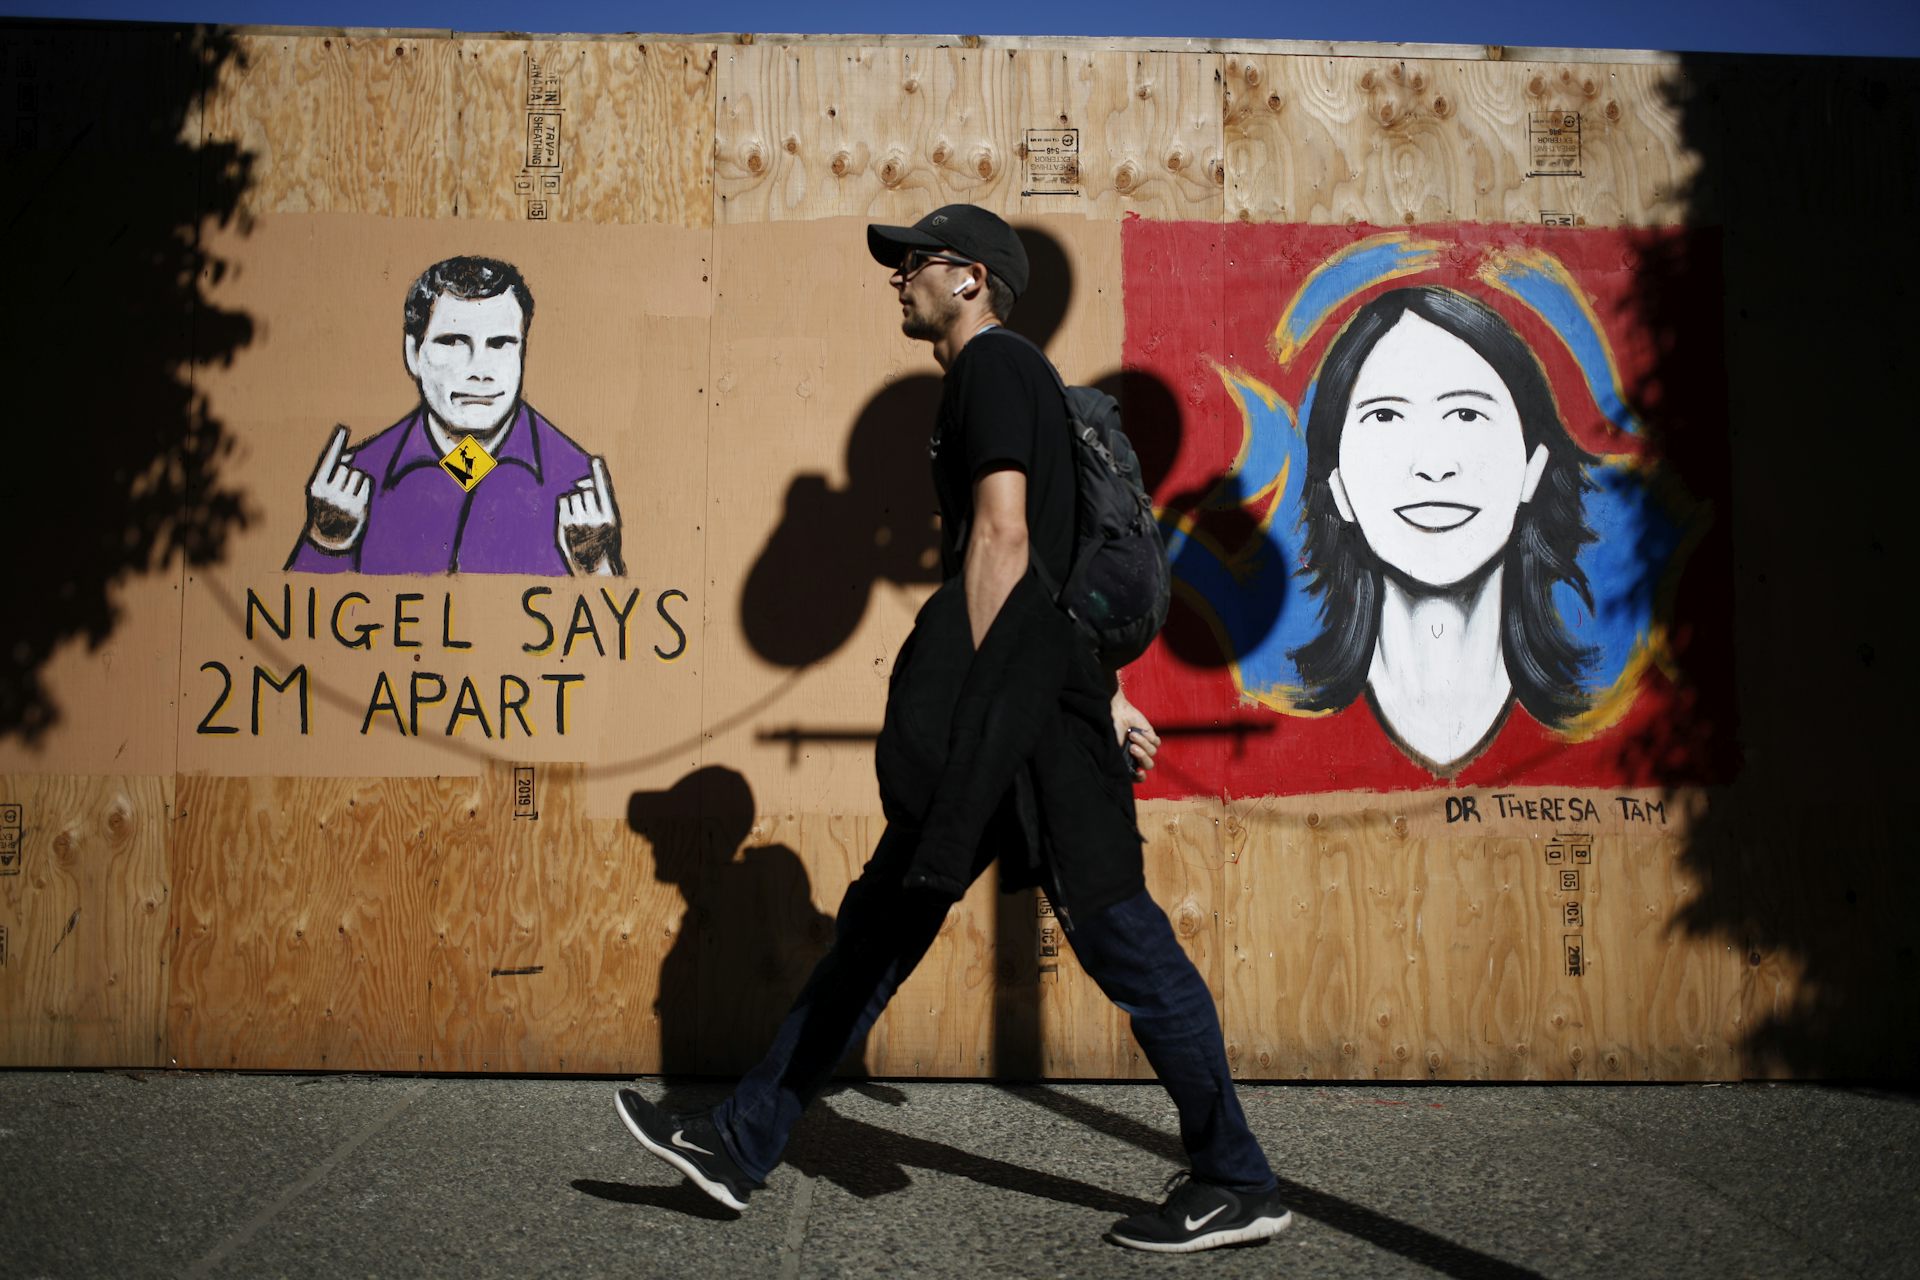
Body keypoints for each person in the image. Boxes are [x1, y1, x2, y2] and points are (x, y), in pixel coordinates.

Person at [616, 206, 1290, 1254]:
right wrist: (1099, 686)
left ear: (970, 277)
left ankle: (1238, 1178)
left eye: (914, 263)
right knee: (883, 919)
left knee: (1120, 934)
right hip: (1033, 701)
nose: (897, 278)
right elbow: (1053, 568)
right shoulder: (995, 380)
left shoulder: (994, 368)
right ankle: (739, 1139)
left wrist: (988, 709)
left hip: (1020, 721)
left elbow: (1008, 535)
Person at [1290, 285, 1599, 772]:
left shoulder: (1603, 746)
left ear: (1531, 469)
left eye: (1468, 413)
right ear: (1337, 486)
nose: (1433, 465)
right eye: (1386, 415)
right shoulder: (1289, 749)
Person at [286, 255, 621, 576]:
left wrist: (595, 569)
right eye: (453, 342)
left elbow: (614, 630)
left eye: (501, 343)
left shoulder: (579, 490)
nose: (479, 371)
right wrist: (326, 544)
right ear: (413, 352)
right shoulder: (349, 488)